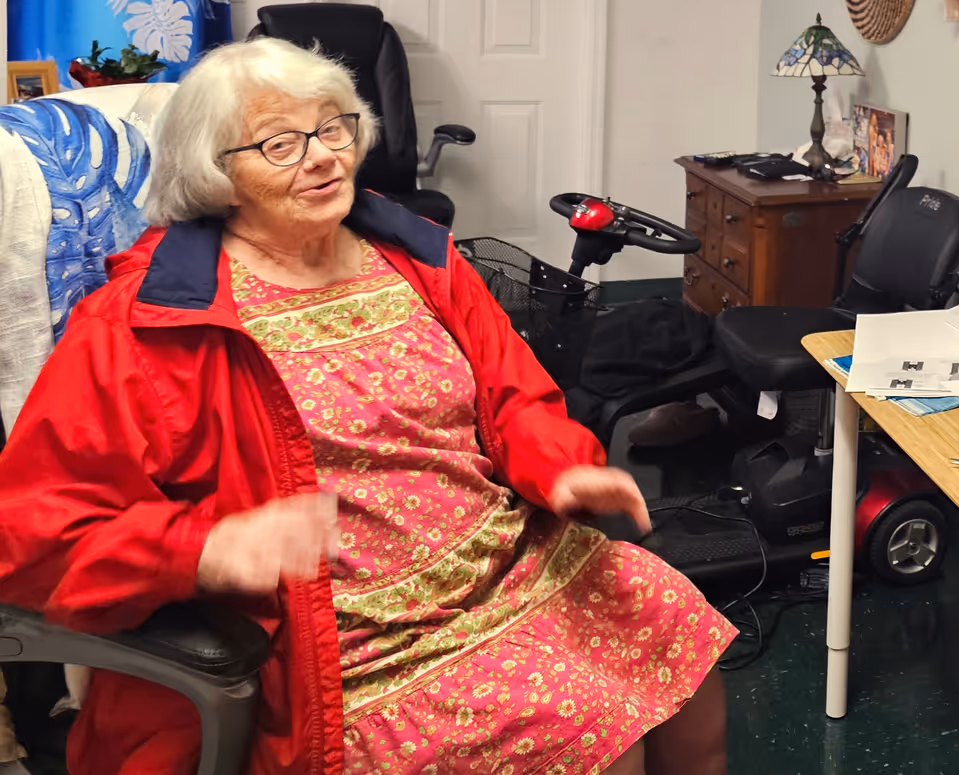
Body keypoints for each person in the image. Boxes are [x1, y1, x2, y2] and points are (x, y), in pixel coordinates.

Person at [0, 39, 730, 775]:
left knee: (680, 637)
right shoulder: (145, 322)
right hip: (343, 644)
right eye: (280, 143)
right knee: (597, 741)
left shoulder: (415, 257)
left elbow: (514, 393)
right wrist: (204, 548)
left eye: (333, 127)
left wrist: (561, 465)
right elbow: (31, 532)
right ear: (218, 176)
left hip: (506, 562)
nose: (321, 156)